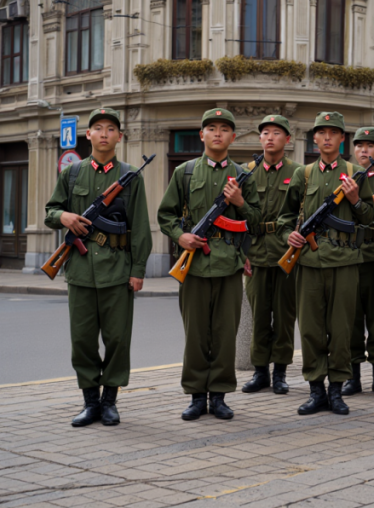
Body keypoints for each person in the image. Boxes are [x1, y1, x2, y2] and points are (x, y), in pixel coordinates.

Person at [45, 107, 152, 427]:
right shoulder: (72, 174)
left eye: (111, 129)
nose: (104, 133)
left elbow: (140, 227)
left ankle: (109, 402)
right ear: (88, 134)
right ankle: (90, 402)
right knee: (82, 340)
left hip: (117, 271)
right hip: (80, 270)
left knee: (117, 340)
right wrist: (64, 216)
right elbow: (51, 211)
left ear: (120, 136)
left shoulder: (130, 175)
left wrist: (138, 270)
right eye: (98, 128)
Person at [158, 108, 262, 421]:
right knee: (195, 335)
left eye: (224, 129)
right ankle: (195, 396)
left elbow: (256, 222)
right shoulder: (185, 172)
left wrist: (240, 202)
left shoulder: (242, 175)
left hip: (229, 265)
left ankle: (219, 396)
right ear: (201, 135)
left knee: (224, 335)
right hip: (194, 266)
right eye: (212, 128)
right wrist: (181, 236)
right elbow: (166, 215)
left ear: (233, 136)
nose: (218, 133)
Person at [277, 111, 374, 416]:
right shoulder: (303, 175)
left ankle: (336, 391)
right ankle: (316, 390)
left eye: (334, 132)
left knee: (341, 330)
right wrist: (290, 235)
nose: (327, 137)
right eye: (322, 132)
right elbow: (284, 217)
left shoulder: (356, 174)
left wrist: (355, 200)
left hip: (345, 263)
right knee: (310, 329)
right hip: (309, 263)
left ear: (342, 138)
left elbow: (371, 219)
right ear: (314, 138)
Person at [241, 115, 298, 395]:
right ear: (260, 138)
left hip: (286, 254)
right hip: (255, 253)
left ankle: (281, 373)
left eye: (277, 133)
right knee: (259, 317)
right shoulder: (246, 172)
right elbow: (236, 215)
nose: (270, 137)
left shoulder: (299, 172)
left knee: (285, 317)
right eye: (265, 132)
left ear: (287, 139)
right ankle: (260, 372)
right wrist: (241, 253)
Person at [342, 127, 374, 398]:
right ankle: (353, 378)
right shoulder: (345, 179)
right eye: (359, 145)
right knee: (351, 321)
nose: (364, 150)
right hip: (348, 257)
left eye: (371, 145)